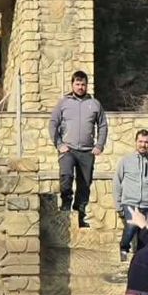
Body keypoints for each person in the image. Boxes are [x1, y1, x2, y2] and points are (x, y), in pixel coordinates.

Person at [48, 70, 108, 228]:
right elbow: (53, 123)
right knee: (66, 176)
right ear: (72, 84)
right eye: (77, 84)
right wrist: (59, 144)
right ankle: (66, 207)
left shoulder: (95, 104)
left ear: (87, 85)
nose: (80, 87)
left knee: (84, 184)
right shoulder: (63, 103)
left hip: (87, 151)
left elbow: (102, 125)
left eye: (83, 84)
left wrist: (99, 145)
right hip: (68, 150)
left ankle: (79, 214)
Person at [113, 129, 148, 261]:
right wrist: (118, 205)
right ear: (136, 142)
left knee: (145, 235)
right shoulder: (126, 161)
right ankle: (124, 248)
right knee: (131, 226)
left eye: (146, 142)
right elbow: (117, 183)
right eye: (140, 141)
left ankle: (140, 259)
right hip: (131, 203)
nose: (143, 144)